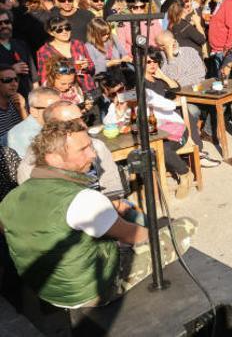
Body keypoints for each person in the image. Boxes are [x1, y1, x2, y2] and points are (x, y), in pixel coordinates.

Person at [0, 119, 196, 307]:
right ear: (54, 158)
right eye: (83, 149)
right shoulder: (84, 199)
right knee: (185, 225)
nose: (93, 155)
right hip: (90, 292)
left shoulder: (10, 199)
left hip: (46, 291)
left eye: (90, 146)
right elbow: (139, 237)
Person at [36, 16, 96, 93]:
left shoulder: (78, 44)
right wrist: (75, 67)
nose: (64, 32)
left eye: (67, 28)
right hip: (63, 94)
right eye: (59, 30)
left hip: (87, 88)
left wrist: (87, 66)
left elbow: (91, 66)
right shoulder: (44, 51)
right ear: (51, 33)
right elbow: (45, 77)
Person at [7, 87, 60, 157]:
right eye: (50, 108)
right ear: (33, 111)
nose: (59, 111)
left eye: (60, 106)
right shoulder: (23, 136)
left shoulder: (53, 124)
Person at [0, 9, 37, 98]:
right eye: (0, 23)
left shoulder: (21, 44)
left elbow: (34, 77)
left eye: (7, 22)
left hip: (27, 98)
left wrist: (36, 97)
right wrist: (12, 70)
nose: (4, 25)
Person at [0, 65, 26, 145]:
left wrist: (22, 109)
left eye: (16, 79)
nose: (14, 84)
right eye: (7, 80)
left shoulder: (17, 102)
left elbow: (29, 131)